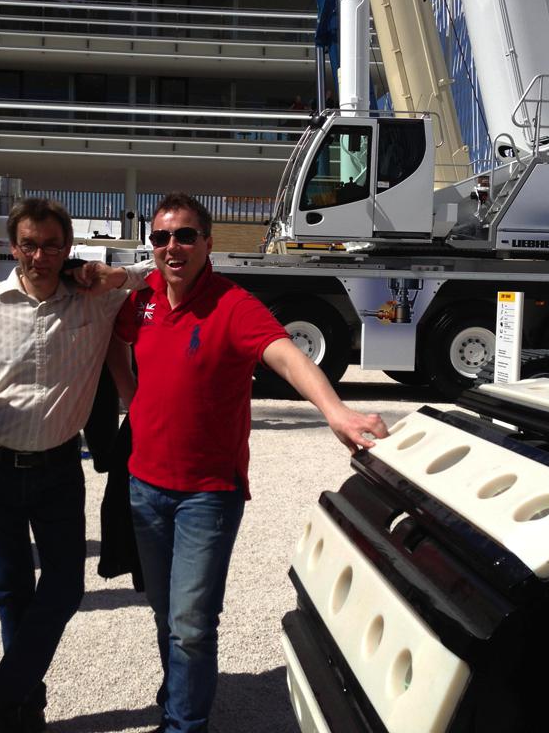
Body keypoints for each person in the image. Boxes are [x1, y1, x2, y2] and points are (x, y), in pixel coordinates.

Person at [108, 193, 388, 733]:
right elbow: (113, 343)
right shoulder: (140, 301)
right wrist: (130, 395)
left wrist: (335, 411)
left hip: (208, 494)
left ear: (207, 243)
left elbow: (288, 356)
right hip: (144, 485)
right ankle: (179, 694)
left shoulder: (233, 305)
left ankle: (183, 724)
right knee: (166, 613)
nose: (172, 247)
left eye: (185, 235)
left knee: (191, 623)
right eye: (162, 237)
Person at [0, 197, 152, 733]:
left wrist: (114, 273)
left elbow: (155, 270)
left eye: (52, 245)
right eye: (29, 244)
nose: (40, 256)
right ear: (13, 247)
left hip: (58, 469)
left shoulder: (96, 301)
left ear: (68, 247)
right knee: (11, 595)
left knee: (66, 589)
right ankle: (25, 706)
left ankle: (0, 698)